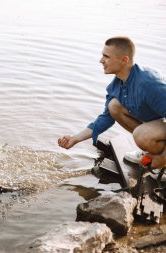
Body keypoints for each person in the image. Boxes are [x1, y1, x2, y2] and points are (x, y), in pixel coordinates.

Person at [58, 36, 166, 169]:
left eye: (106, 56)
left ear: (124, 60)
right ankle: (152, 150)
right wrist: (75, 138)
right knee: (113, 106)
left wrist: (163, 157)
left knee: (142, 135)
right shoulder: (115, 87)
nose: (101, 60)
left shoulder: (148, 83)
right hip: (158, 124)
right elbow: (106, 118)